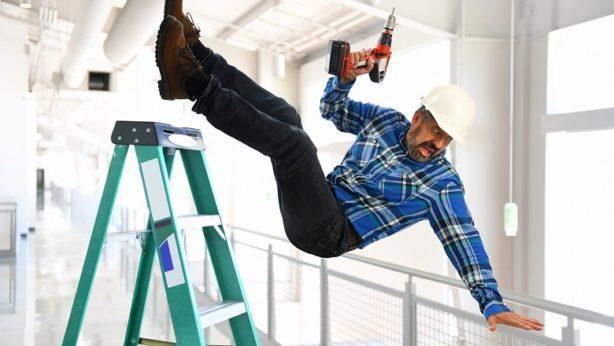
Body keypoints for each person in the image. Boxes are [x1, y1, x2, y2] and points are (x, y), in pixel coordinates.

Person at [156, 0, 544, 332]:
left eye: (447, 139)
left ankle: (191, 84)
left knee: (295, 145)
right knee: (286, 114)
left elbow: (464, 241)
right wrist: (344, 79)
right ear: (417, 116)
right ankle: (198, 55)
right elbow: (332, 110)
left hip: (329, 233)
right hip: (321, 198)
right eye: (435, 131)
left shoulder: (442, 184)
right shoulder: (386, 121)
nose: (438, 144)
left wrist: (491, 302)